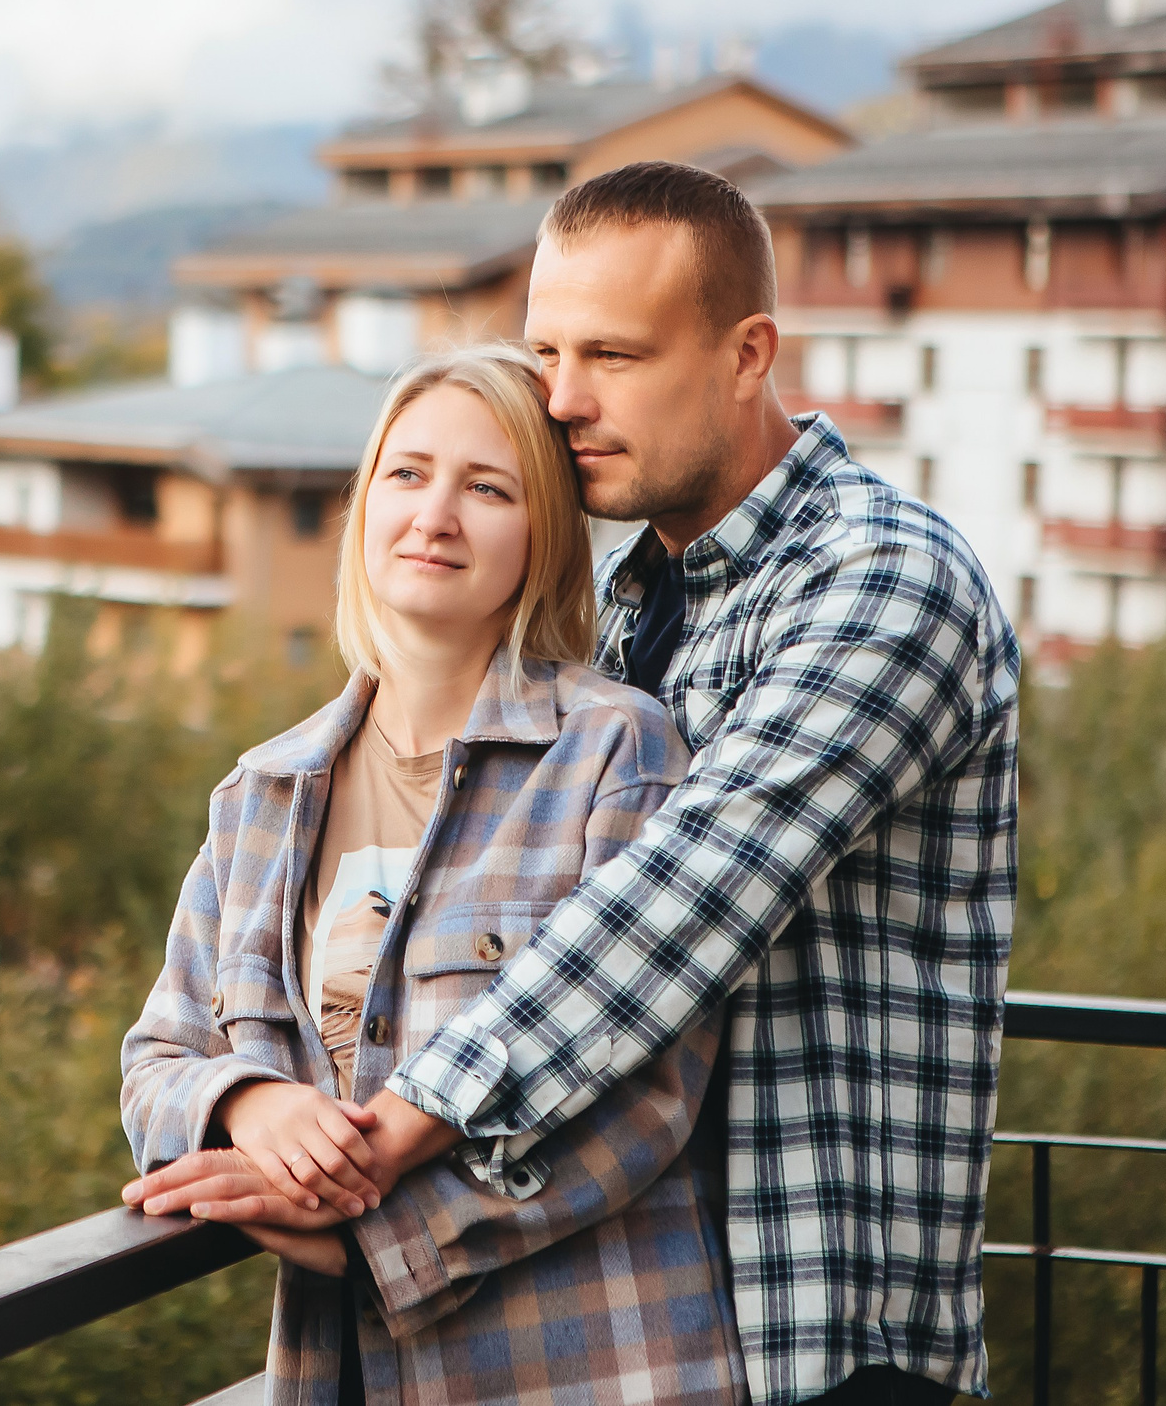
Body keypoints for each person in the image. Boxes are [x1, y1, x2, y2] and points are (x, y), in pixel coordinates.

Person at [133, 162, 1021, 1406]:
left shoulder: (881, 580)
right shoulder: (620, 610)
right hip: (619, 1311)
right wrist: (255, 1109)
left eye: (611, 354)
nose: (561, 398)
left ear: (747, 354)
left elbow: (675, 905)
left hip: (827, 1335)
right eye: (547, 350)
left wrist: (370, 1149)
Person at [120, 344, 744, 1406]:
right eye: (406, 473)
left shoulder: (614, 752)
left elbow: (649, 1092)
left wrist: (377, 1240)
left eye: (487, 488)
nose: (435, 516)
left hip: (588, 1368)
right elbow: (158, 1058)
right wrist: (252, 1102)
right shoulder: (261, 794)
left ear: (543, 536)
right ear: (364, 502)